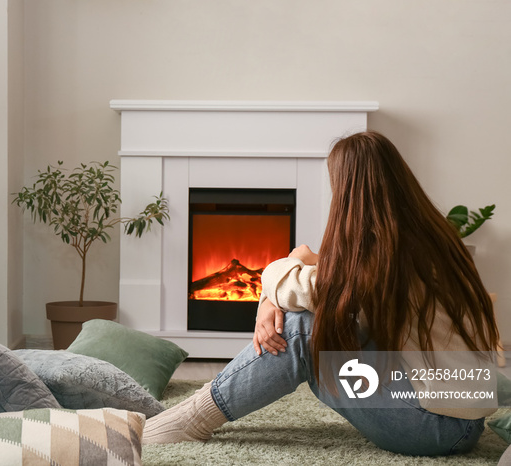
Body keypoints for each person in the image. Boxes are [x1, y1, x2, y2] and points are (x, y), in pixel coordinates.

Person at [143, 131, 499, 456]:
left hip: (438, 426)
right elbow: (315, 281)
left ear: (351, 191)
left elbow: (295, 283)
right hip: (455, 412)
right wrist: (268, 300)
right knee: (307, 316)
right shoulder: (420, 236)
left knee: (301, 330)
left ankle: (192, 418)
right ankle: (195, 412)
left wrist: (290, 264)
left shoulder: (390, 257)